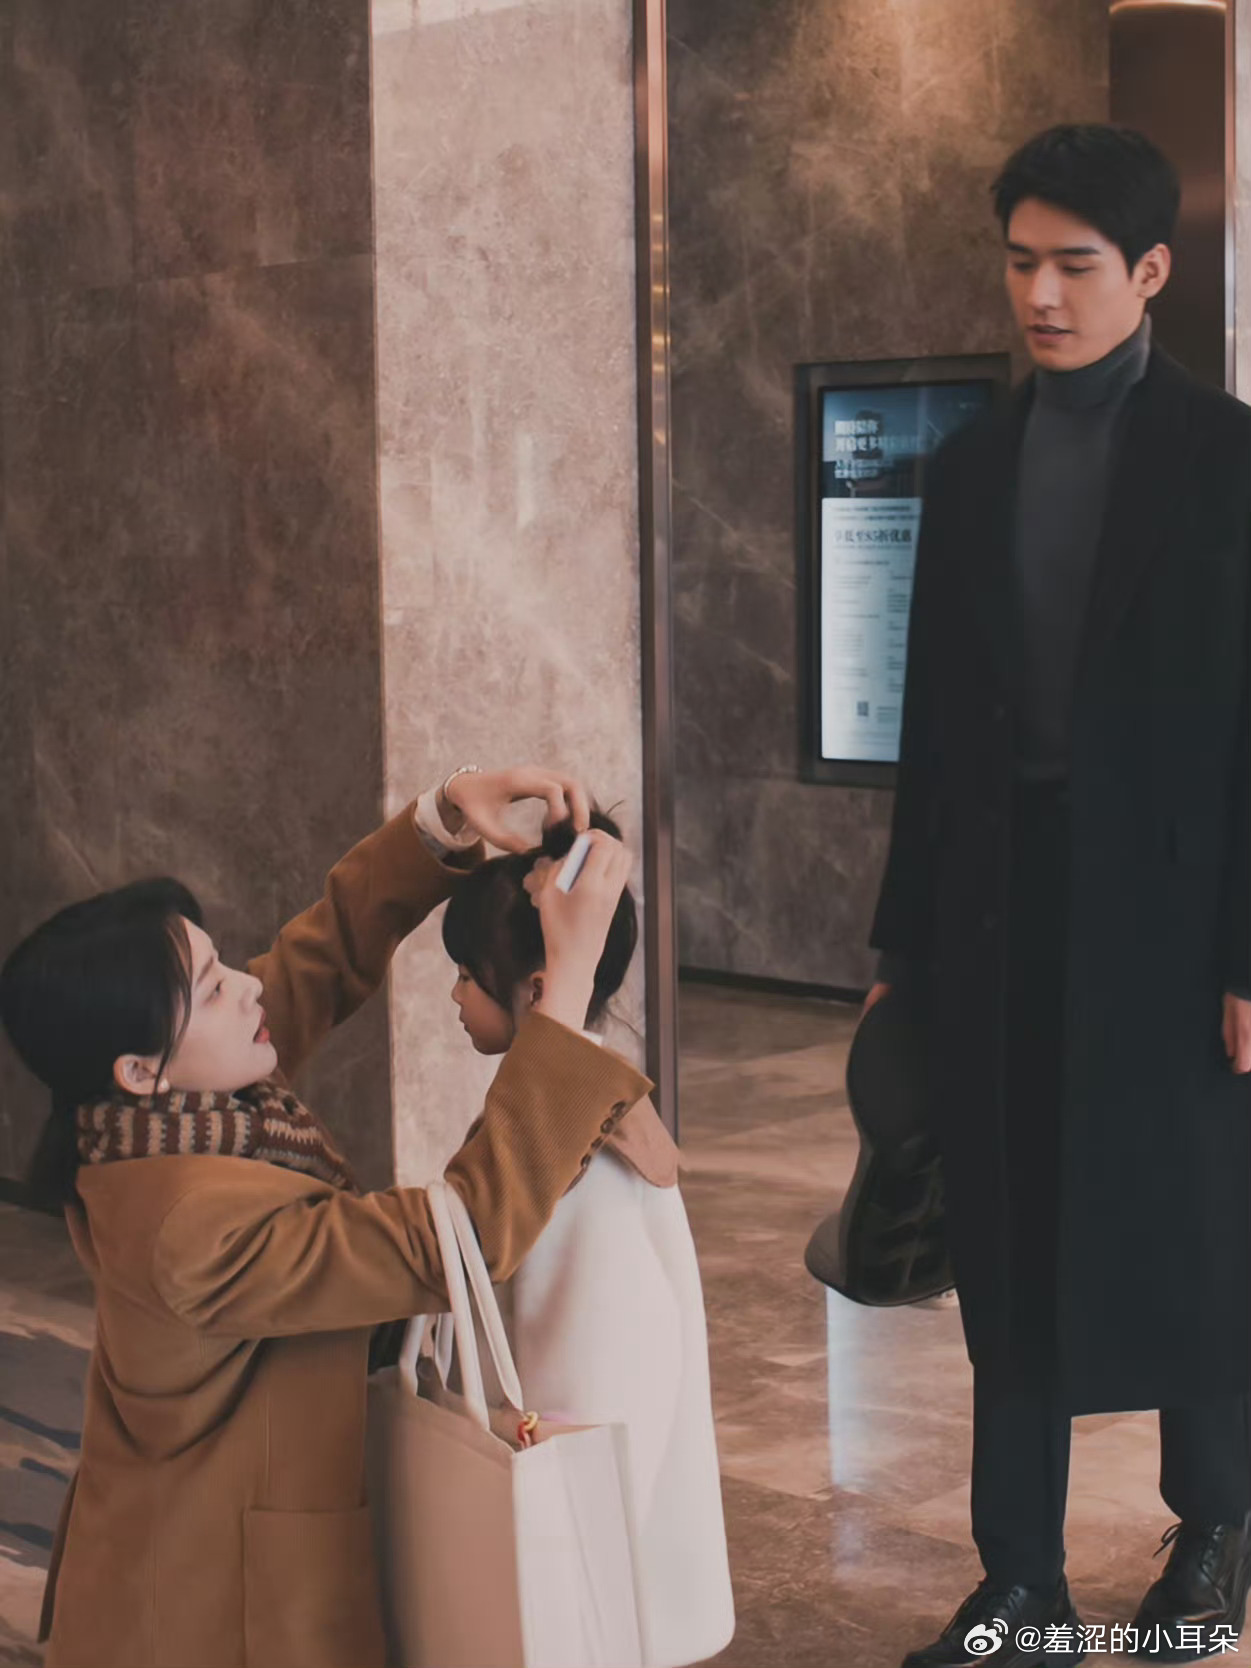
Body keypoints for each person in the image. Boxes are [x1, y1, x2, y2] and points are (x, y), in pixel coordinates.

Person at [866, 125, 1251, 1667]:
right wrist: (900, 943)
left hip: (1172, 922)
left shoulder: (1226, 458)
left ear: (1146, 272)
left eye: (1071, 266)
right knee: (1006, 1240)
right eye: (1018, 262)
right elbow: (931, 727)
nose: (1037, 293)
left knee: (1193, 1229)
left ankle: (1212, 1531)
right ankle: (1018, 1579)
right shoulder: (967, 466)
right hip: (994, 917)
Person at [0, 764, 653, 1668]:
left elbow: (322, 957)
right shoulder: (189, 1229)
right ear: (140, 1069)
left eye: (224, 963)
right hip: (206, 1614)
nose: (249, 988)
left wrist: (446, 817)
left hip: (212, 1559)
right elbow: (455, 1240)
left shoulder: (167, 1116)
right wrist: (565, 992)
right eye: (212, 987)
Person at [438, 805, 735, 1668]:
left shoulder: (579, 1148)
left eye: (465, 975)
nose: (454, 996)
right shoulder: (585, 1109)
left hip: (586, 1522)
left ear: (537, 989)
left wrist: (564, 1507)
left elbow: (601, 1367)